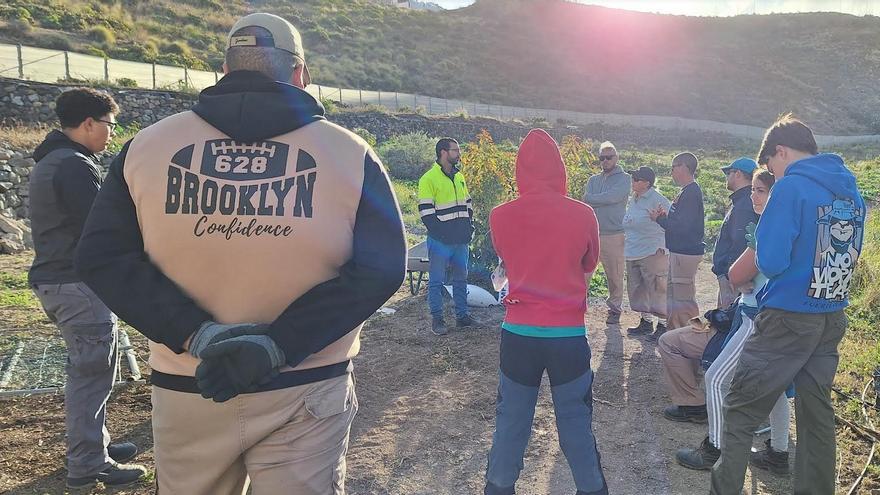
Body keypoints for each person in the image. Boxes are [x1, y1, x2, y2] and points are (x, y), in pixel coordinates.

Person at [75, 13, 406, 494]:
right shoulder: (350, 153)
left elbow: (101, 258)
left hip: (190, 383)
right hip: (306, 385)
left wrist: (197, 333)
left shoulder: (146, 148)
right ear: (301, 74)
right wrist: (279, 344)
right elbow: (381, 269)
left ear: (225, 70)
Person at [710, 115, 866, 494]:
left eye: (771, 168)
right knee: (816, 417)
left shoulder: (791, 187)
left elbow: (773, 261)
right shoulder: (851, 190)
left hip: (787, 318)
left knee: (742, 407)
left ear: (780, 151)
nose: (772, 175)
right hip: (830, 314)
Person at [28, 88, 147, 489]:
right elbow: (102, 227)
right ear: (89, 123)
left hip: (60, 281)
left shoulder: (53, 160)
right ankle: (87, 465)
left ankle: (96, 447)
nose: (112, 134)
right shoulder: (74, 166)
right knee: (92, 375)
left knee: (94, 369)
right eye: (110, 126)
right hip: (75, 284)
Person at [485, 129, 607, 495]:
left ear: (520, 169)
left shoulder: (500, 215)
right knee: (575, 423)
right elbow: (590, 264)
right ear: (560, 169)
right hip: (568, 336)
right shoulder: (583, 214)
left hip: (519, 335)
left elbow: (507, 260)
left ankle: (498, 488)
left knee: (511, 423)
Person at [675, 170, 791, 474]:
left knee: (716, 378)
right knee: (776, 388)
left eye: (761, 191)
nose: (753, 196)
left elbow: (746, 274)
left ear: (777, 194)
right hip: (767, 316)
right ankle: (778, 452)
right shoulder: (781, 226)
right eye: (753, 189)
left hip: (757, 318)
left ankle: (715, 448)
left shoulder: (771, 229)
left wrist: (742, 280)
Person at [418, 137, 478, 336]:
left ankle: (462, 316)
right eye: (455, 150)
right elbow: (426, 213)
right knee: (436, 281)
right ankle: (438, 319)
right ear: (443, 152)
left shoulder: (459, 177)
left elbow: (467, 204)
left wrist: (469, 227)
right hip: (440, 241)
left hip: (461, 240)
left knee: (461, 279)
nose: (458, 154)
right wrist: (443, 235)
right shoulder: (428, 179)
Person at [650, 152, 705, 332]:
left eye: (673, 167)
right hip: (679, 251)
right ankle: (675, 334)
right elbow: (680, 221)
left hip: (685, 252)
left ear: (683, 167)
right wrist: (665, 218)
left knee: (684, 300)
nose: (671, 171)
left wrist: (660, 220)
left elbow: (683, 226)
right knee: (675, 297)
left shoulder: (691, 192)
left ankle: (695, 335)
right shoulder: (686, 191)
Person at [583, 141, 631, 325]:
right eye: (602, 157)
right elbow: (587, 200)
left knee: (615, 274)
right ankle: (579, 305)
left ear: (616, 158)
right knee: (584, 272)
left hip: (614, 234)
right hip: (592, 233)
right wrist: (598, 200)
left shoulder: (625, 178)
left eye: (609, 157)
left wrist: (595, 199)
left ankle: (614, 308)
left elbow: (614, 197)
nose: (605, 160)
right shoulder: (593, 180)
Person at [622, 166, 671, 336]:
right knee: (639, 288)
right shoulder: (634, 198)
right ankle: (646, 322)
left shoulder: (658, 200)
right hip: (634, 249)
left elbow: (670, 225)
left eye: (636, 179)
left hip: (652, 251)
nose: (632, 181)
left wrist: (663, 248)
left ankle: (663, 325)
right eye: (633, 178)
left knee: (657, 290)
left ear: (647, 183)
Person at [711, 158, 759, 309]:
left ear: (738, 174)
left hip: (733, 278)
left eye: (728, 172)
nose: (727, 177)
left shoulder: (744, 205)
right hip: (732, 276)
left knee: (726, 322)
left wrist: (735, 277)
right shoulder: (743, 202)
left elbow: (740, 243)